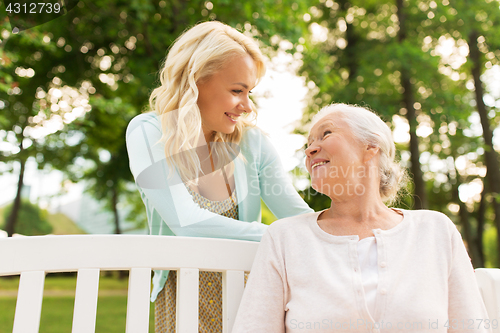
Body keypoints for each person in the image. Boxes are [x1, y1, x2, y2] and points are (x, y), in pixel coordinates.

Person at [233, 103, 490, 332]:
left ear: (371, 146)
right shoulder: (284, 237)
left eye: (326, 134)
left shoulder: (436, 230)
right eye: (308, 144)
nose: (310, 150)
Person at [125, 21, 312, 332]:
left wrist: (350, 228)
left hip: (250, 298)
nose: (247, 106)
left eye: (249, 92)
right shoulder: (149, 133)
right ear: (196, 81)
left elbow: (297, 215)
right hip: (181, 302)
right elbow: (187, 223)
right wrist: (281, 236)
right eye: (237, 91)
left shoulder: (253, 144)